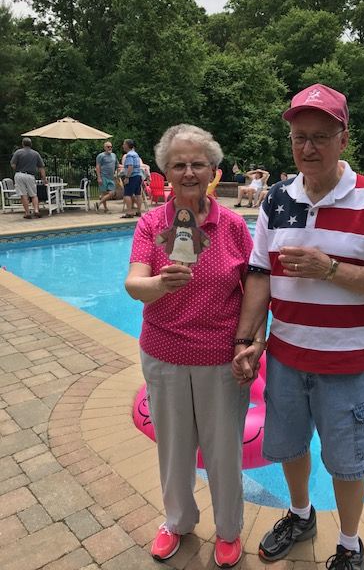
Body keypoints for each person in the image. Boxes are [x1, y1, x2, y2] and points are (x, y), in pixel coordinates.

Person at [232, 83, 364, 569]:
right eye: (298, 137)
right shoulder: (276, 199)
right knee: (289, 447)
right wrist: (248, 340)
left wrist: (330, 269)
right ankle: (299, 514)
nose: (307, 148)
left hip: (349, 364)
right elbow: (260, 273)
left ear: (343, 139)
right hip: (287, 358)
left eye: (319, 137)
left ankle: (350, 545)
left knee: (348, 462)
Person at [124, 124, 254, 568]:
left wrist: (249, 343)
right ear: (166, 172)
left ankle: (229, 530)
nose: (189, 171)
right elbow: (133, 284)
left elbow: (255, 289)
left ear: (213, 170)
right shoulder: (151, 224)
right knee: (174, 448)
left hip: (220, 358)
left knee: (224, 451)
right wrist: (161, 282)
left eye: (198, 163)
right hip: (165, 355)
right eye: (179, 164)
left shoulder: (234, 226)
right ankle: (177, 521)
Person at [10, 137, 48, 219]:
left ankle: (27, 212)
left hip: (19, 174)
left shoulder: (18, 152)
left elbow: (13, 165)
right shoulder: (35, 154)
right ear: (31, 144)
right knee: (34, 194)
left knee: (23, 194)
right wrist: (44, 179)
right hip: (30, 175)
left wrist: (18, 167)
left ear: (23, 144)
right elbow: (41, 167)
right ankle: (36, 210)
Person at [121, 139, 143, 218]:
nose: (123, 145)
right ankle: (139, 211)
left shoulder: (129, 155)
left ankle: (129, 212)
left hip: (132, 176)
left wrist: (127, 177)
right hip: (138, 175)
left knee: (127, 194)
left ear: (127, 145)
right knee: (138, 194)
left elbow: (130, 166)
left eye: (124, 144)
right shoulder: (136, 154)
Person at [95, 141, 118, 213]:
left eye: (111, 147)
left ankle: (98, 203)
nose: (110, 148)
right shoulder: (100, 156)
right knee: (104, 193)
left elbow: (117, 165)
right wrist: (99, 177)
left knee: (112, 193)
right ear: (104, 147)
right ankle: (105, 209)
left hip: (111, 177)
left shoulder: (114, 155)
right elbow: (98, 167)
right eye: (108, 147)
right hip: (103, 176)